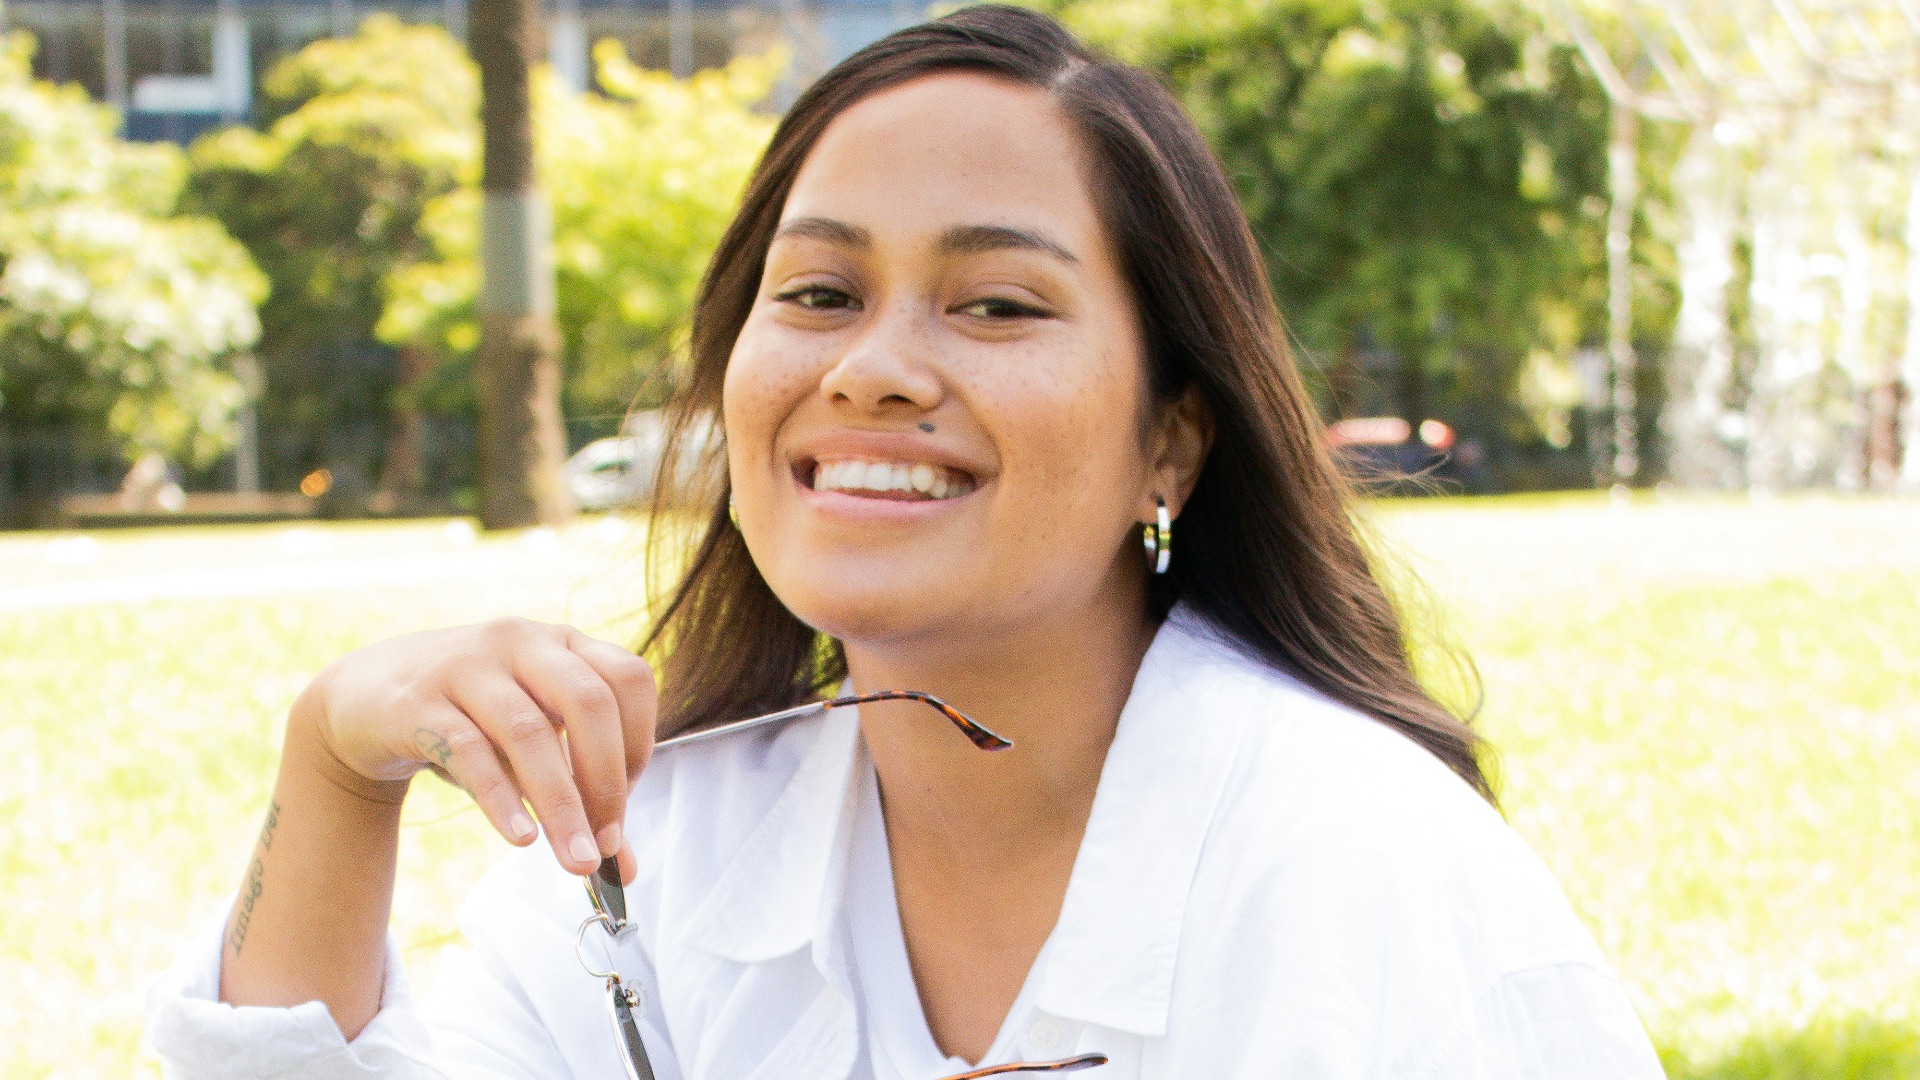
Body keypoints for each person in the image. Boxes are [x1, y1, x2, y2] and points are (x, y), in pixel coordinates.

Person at [147, 7, 1665, 1078]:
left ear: (1172, 439)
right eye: (816, 295)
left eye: (997, 304)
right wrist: (337, 773)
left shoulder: (1362, 877)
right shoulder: (662, 845)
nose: (872, 366)